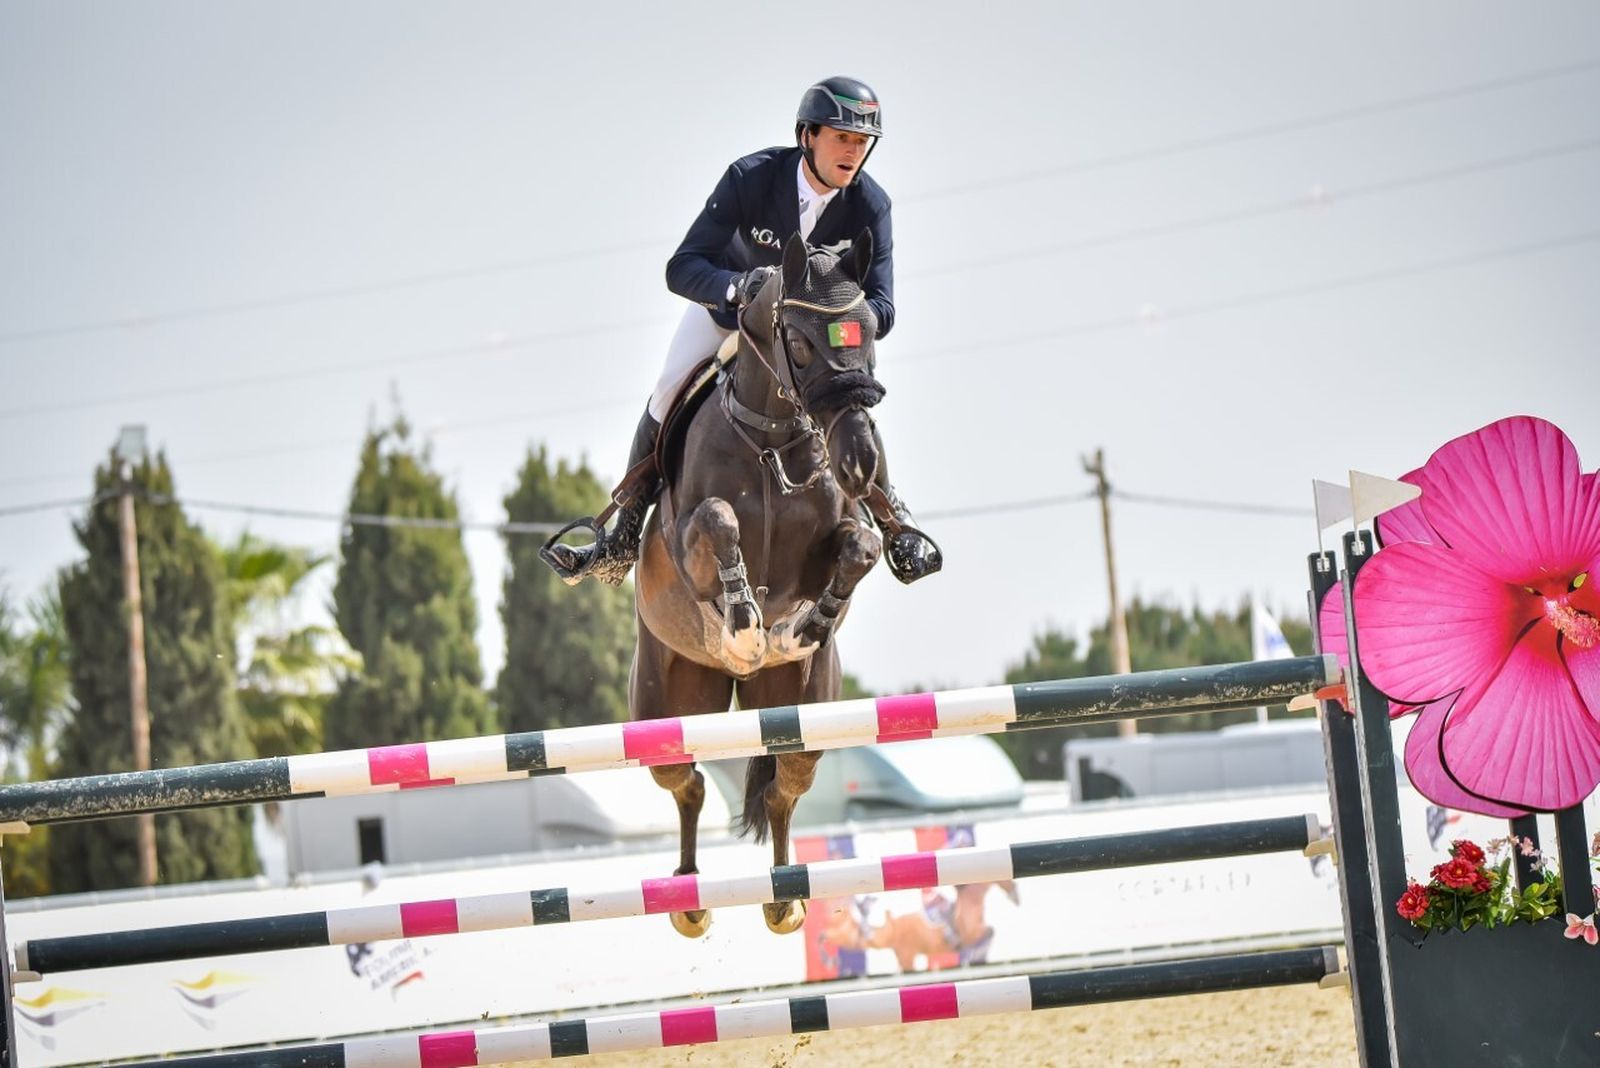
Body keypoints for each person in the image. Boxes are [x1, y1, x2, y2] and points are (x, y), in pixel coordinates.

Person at [543, 76, 940, 587]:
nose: (853, 152)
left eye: (861, 142)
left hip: (812, 340)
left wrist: (841, 317)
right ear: (807, 136)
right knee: (667, 392)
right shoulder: (751, 179)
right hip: (732, 317)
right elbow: (682, 267)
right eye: (842, 137)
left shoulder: (871, 205)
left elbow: (883, 307)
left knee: (851, 397)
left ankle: (893, 521)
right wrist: (737, 288)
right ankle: (620, 541)